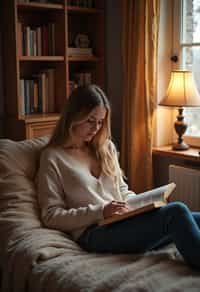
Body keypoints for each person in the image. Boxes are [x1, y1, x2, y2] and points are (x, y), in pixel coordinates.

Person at [37, 84, 200, 269]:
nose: (96, 128)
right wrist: (101, 211)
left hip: (122, 221)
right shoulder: (53, 157)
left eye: (100, 122)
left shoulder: (105, 148)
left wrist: (141, 205)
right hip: (94, 233)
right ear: (74, 116)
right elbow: (51, 216)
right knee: (176, 212)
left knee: (190, 215)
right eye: (91, 121)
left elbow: (122, 190)